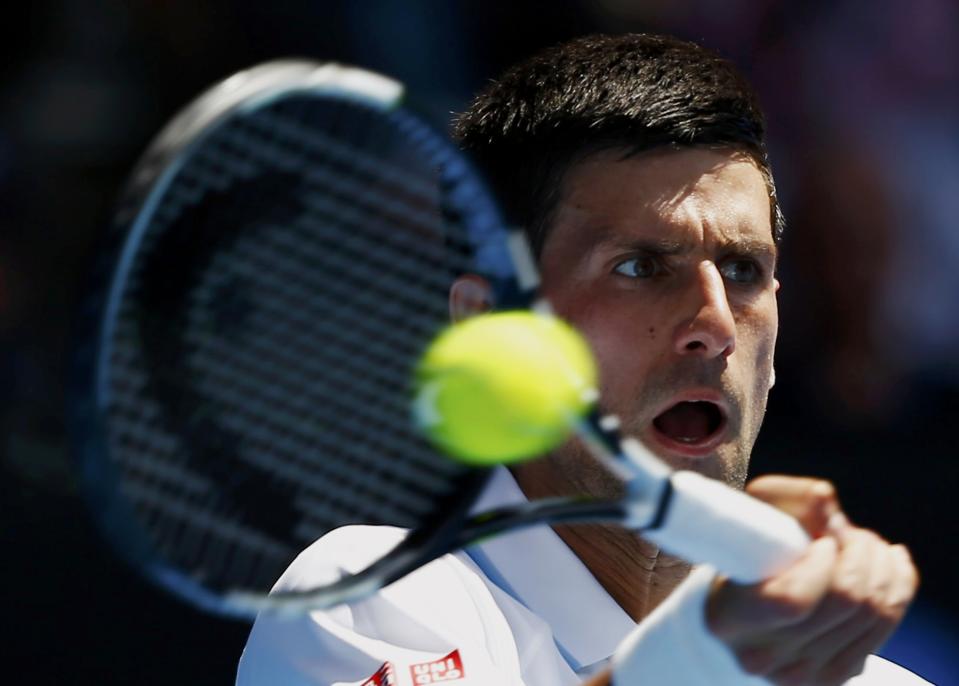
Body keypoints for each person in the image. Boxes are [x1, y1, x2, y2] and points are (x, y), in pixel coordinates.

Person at [236, 34, 924, 685]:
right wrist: (702, 659)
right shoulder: (370, 598)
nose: (714, 324)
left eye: (742, 270)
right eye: (639, 266)